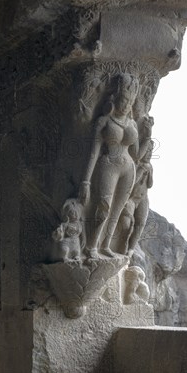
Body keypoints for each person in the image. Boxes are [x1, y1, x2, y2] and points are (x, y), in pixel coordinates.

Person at [79, 73, 140, 259]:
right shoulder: (103, 121)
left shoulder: (132, 123)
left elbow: (137, 154)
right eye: (123, 100)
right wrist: (85, 181)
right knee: (103, 206)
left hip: (129, 168)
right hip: (108, 164)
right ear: (115, 99)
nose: (126, 105)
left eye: (130, 102)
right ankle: (91, 246)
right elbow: (93, 152)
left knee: (118, 209)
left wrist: (145, 132)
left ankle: (106, 245)